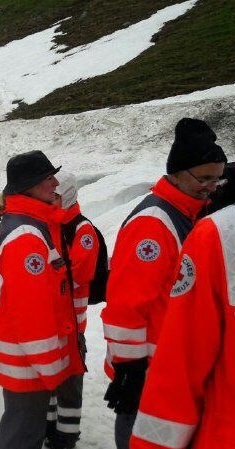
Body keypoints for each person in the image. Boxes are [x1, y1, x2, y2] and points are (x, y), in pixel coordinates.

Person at [100, 118, 227, 449]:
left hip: (171, 368)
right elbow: (125, 305)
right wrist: (130, 368)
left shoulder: (191, 212)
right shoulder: (153, 225)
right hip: (147, 372)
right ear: (177, 173)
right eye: (204, 178)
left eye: (217, 179)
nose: (212, 187)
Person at [0, 151, 85, 449]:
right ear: (28, 186)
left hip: (26, 360)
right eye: (48, 178)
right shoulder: (26, 236)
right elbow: (31, 313)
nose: (55, 183)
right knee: (23, 435)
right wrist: (52, 368)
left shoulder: (28, 224)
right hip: (28, 364)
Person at [130, 203, 235, 449]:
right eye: (204, 182)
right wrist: (127, 362)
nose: (209, 187)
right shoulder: (217, 234)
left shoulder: (216, 232)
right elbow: (130, 296)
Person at [45, 171, 101, 449]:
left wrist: (46, 270)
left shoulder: (82, 230)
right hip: (48, 322)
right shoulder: (46, 225)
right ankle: (48, 428)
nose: (50, 200)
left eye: (55, 196)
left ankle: (66, 437)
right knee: (49, 380)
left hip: (71, 325)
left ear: (67, 196)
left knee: (69, 382)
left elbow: (80, 272)